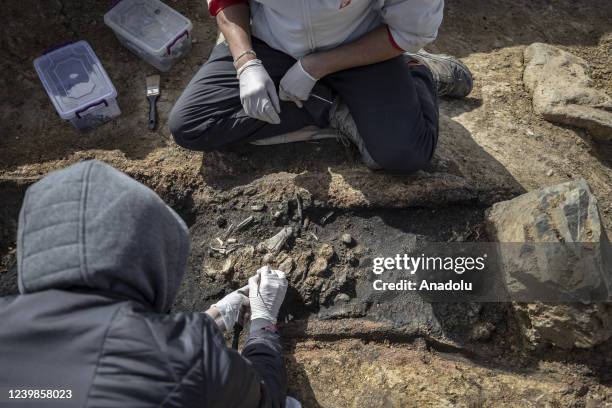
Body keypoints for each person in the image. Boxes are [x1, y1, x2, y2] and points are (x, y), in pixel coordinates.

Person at [0, 160, 289, 407]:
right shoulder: (188, 362)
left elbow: (90, 361)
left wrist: (207, 321)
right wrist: (263, 323)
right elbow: (263, 400)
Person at [169, 0, 472, 173]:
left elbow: (410, 28)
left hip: (359, 47)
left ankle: (416, 70)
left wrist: (315, 66)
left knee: (404, 155)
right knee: (192, 125)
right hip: (271, 42)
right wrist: (246, 61)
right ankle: (331, 104)